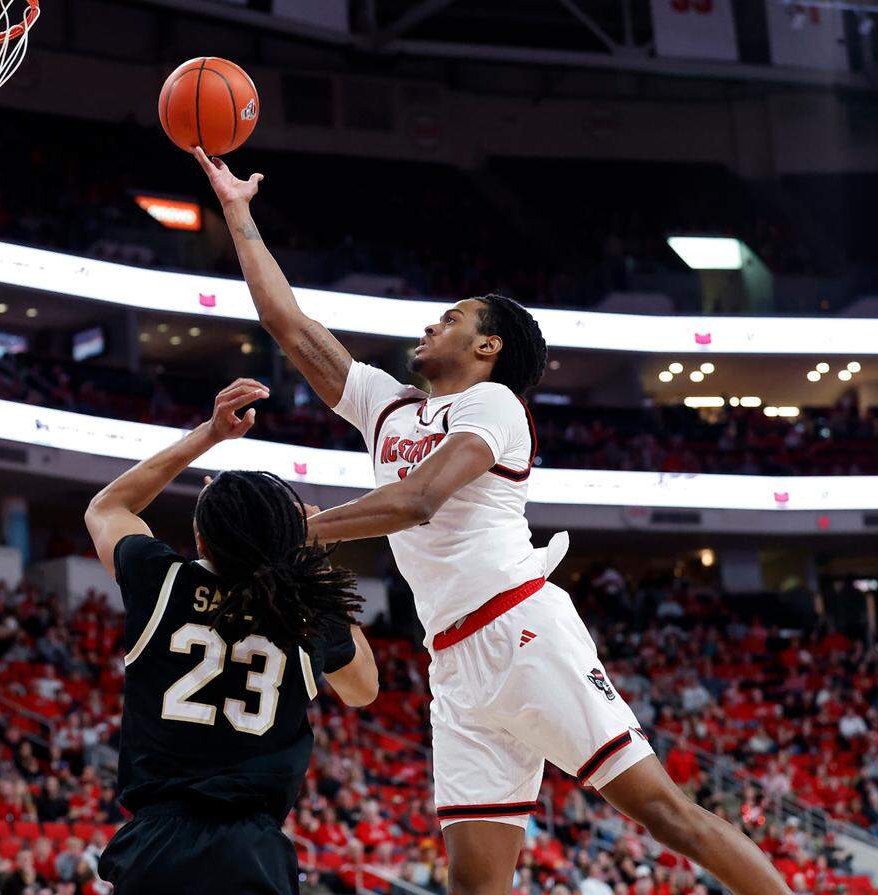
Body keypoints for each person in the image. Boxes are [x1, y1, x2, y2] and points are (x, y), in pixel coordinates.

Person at [196, 147, 794, 895]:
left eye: (450, 319)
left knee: (666, 814)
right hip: (454, 663)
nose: (429, 324)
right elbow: (290, 325)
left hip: (520, 629)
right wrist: (238, 214)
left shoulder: (494, 405)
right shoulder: (388, 407)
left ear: (488, 346)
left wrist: (301, 529)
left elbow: (417, 500)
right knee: (475, 887)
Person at [84, 379, 379, 895]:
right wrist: (313, 561)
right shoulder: (305, 609)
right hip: (253, 850)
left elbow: (107, 508)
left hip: (157, 845)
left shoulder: (165, 580)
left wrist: (208, 435)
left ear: (200, 535)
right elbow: (364, 689)